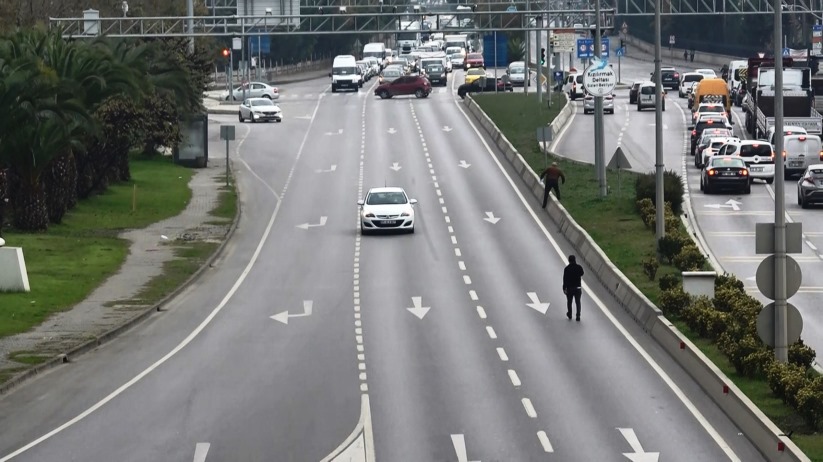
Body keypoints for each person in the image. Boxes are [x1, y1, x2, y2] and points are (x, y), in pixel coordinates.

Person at [563, 255, 585, 321]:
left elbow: (565, 279)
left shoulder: (567, 269)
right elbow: (582, 273)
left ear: (569, 260)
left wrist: (564, 288)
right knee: (578, 302)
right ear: (575, 260)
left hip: (570, 288)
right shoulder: (579, 267)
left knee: (569, 302)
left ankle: (570, 314)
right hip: (578, 288)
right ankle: (578, 315)